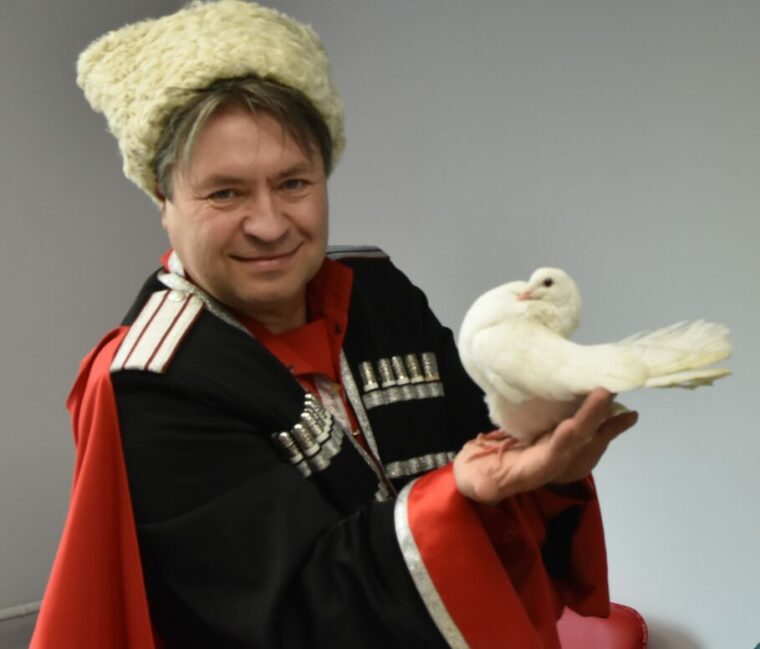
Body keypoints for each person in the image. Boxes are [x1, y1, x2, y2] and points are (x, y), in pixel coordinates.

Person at [32, 1, 637, 647]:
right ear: (164, 199)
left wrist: (547, 459)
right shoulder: (153, 378)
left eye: (293, 183)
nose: (270, 225)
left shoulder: (379, 289)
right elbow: (286, 612)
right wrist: (459, 492)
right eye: (225, 193)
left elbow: (499, 465)